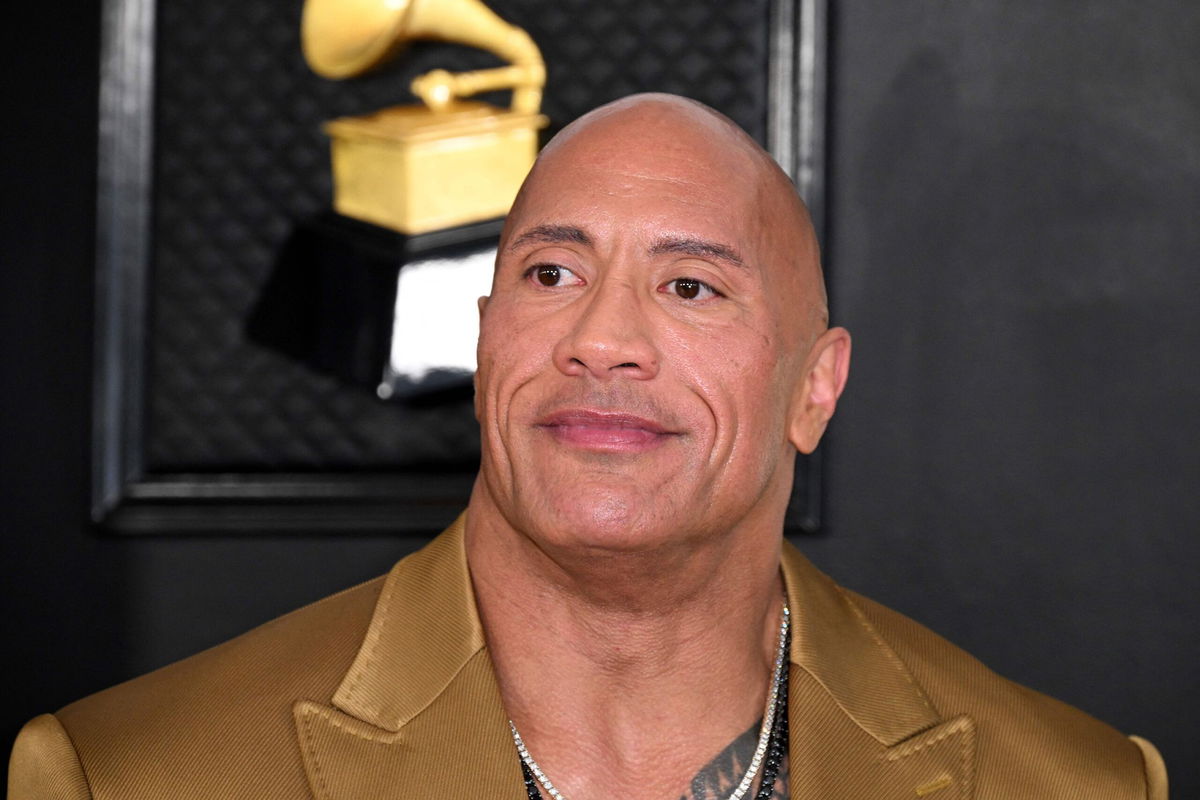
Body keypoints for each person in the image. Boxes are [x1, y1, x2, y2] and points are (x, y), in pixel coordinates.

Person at [8, 94, 1167, 800]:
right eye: (551, 274)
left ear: (814, 388)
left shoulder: (1078, 783)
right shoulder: (126, 775)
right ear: (485, 345)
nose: (603, 338)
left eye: (691, 283)